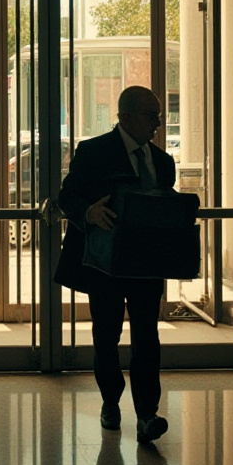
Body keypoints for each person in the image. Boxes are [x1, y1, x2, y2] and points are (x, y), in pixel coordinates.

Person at [54, 85, 175, 444]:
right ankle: (110, 401)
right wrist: (89, 212)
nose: (157, 123)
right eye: (150, 115)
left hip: (146, 265)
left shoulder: (163, 162)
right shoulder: (92, 152)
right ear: (124, 116)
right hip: (104, 264)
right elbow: (67, 196)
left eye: (158, 116)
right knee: (106, 335)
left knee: (147, 338)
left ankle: (147, 414)